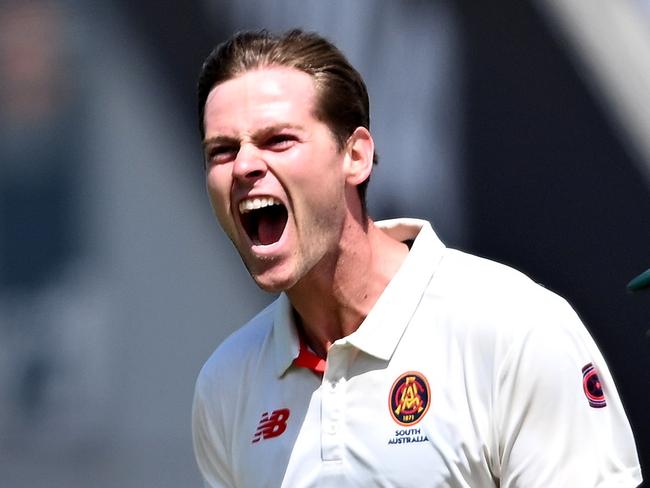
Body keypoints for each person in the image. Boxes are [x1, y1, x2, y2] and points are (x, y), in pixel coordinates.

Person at [191, 29, 642, 487]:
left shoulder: (515, 328)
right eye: (222, 151)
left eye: (279, 140)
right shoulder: (227, 383)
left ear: (356, 155)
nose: (244, 166)